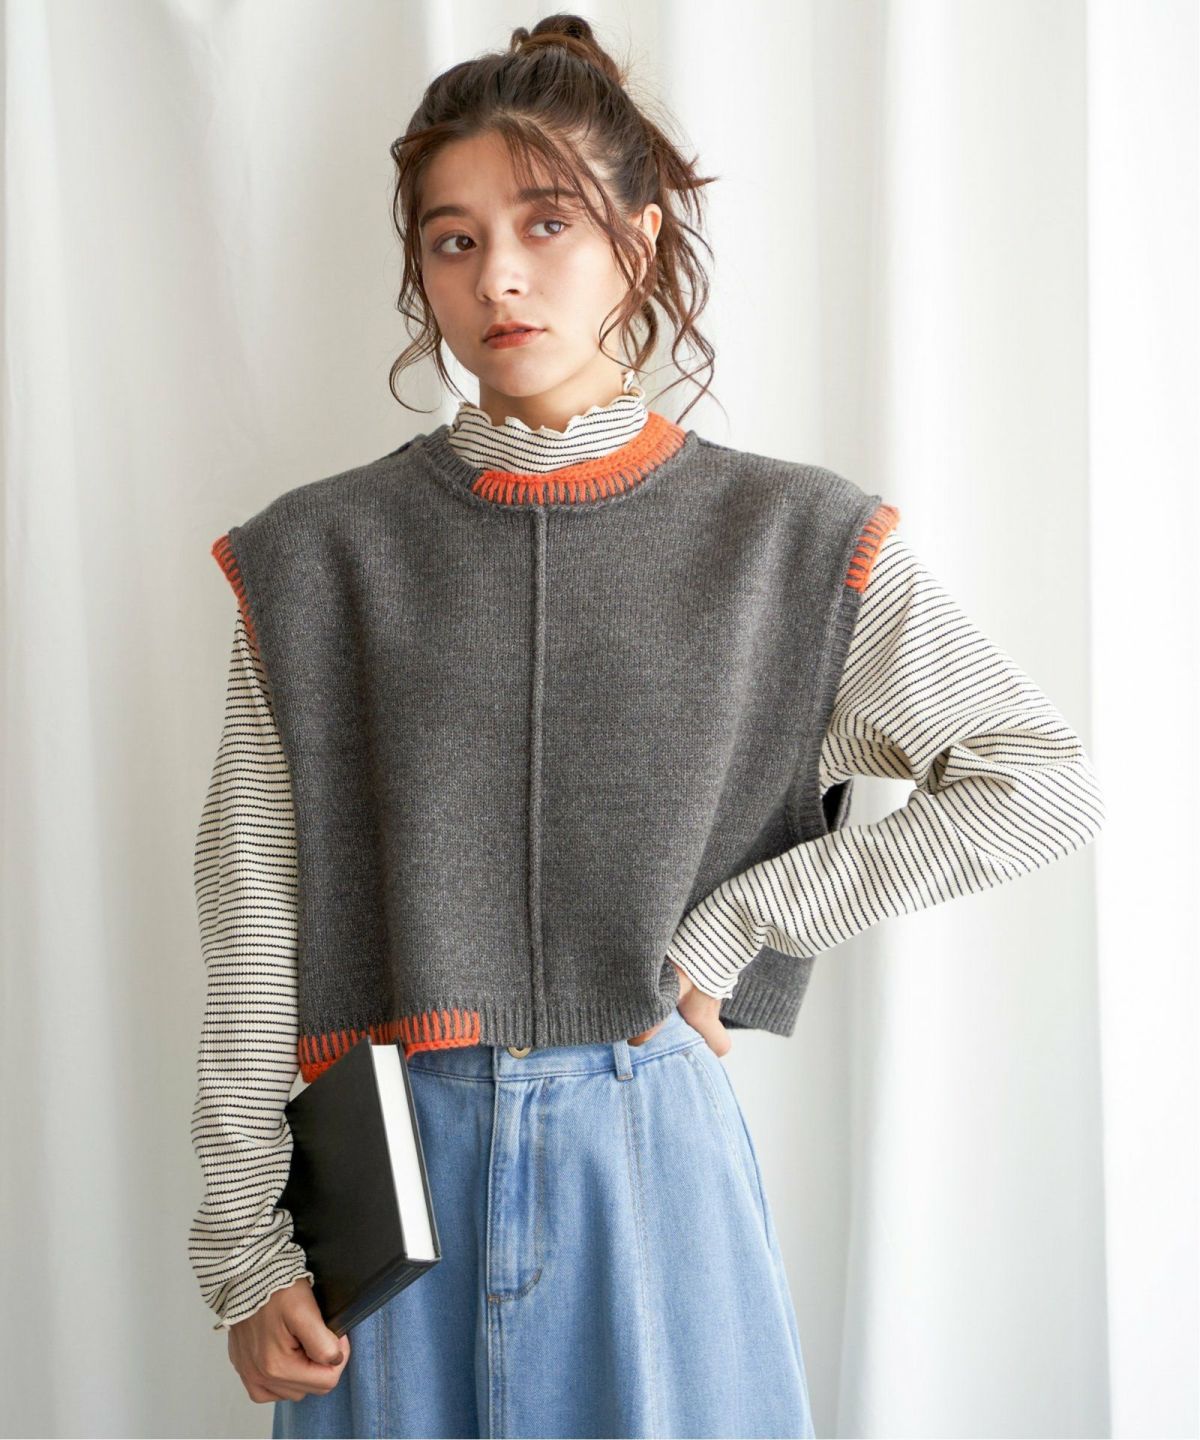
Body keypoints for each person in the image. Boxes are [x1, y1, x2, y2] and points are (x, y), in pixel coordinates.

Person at [188, 14, 1105, 1439]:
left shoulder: (792, 542)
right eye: (451, 240)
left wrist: (743, 924)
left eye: (545, 223)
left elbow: (1036, 780)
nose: (497, 275)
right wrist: (242, 1242)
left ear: (639, 235)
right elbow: (251, 903)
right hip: (390, 1173)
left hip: (652, 1150)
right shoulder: (317, 558)